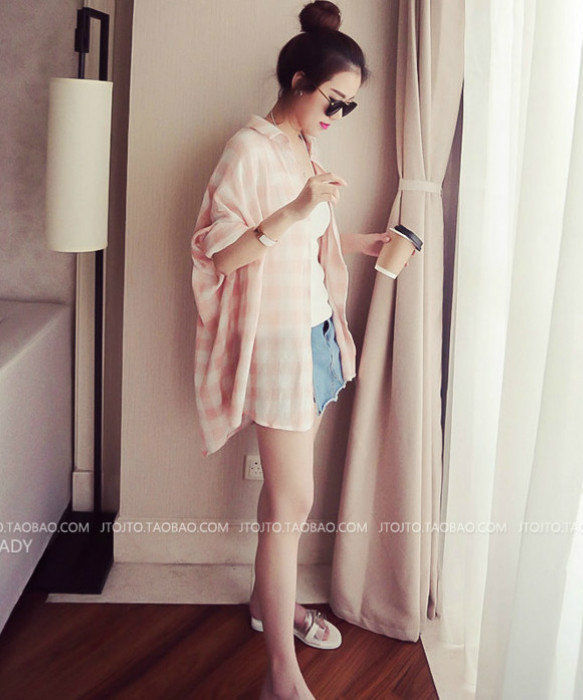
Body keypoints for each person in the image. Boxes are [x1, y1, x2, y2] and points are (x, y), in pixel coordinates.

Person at [191, 2, 393, 698]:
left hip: (316, 335)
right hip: (278, 344)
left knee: (284, 500)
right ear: (299, 81)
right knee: (292, 505)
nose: (339, 115)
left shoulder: (302, 145)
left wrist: (360, 242)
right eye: (334, 100)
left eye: (349, 107)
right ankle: (280, 673)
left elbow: (302, 241)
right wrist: (297, 208)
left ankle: (264, 603)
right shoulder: (248, 150)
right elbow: (221, 256)